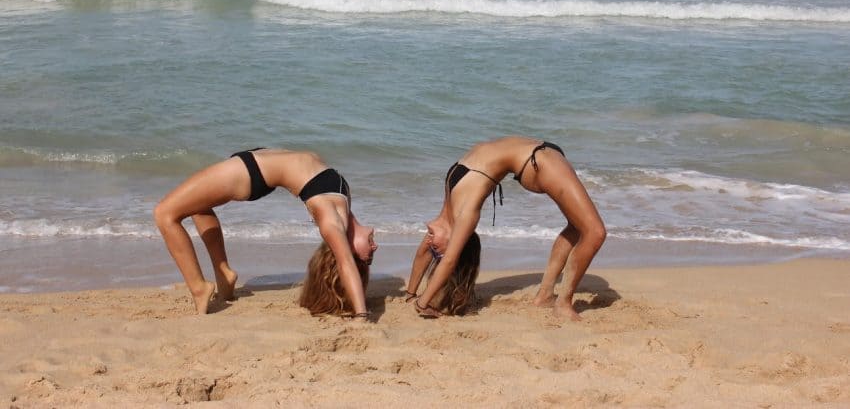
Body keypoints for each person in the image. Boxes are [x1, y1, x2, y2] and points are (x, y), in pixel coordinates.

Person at [153, 148, 377, 316]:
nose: (374, 247)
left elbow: (345, 262)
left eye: (367, 256)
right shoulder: (344, 203)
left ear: (348, 249)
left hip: (248, 172)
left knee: (165, 214)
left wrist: (361, 315)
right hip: (253, 162)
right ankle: (223, 274)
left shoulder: (332, 223)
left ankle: (199, 287)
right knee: (197, 205)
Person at [405, 136, 606, 321]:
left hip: (539, 157)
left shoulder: (448, 209)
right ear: (456, 239)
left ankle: (547, 296)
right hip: (540, 161)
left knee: (580, 227)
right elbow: (449, 259)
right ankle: (560, 303)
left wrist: (412, 295)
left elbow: (432, 255)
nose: (430, 243)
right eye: (435, 249)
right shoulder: (465, 214)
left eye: (433, 248)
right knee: (595, 232)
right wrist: (423, 305)